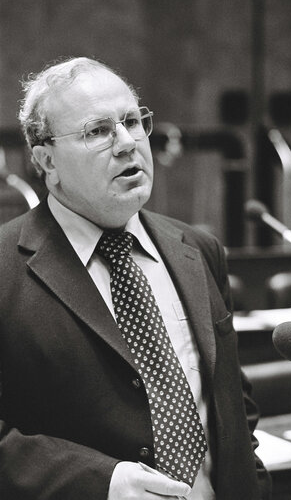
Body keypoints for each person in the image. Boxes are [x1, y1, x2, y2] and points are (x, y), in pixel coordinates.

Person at [0, 57, 271, 500]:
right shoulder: (4, 270)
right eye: (98, 131)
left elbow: (234, 409)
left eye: (132, 121)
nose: (128, 143)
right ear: (45, 159)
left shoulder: (197, 249)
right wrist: (100, 484)